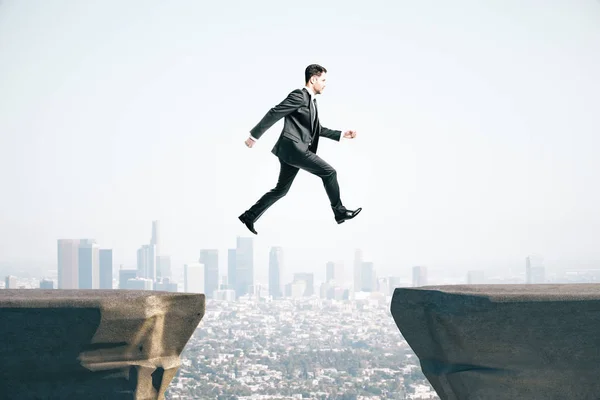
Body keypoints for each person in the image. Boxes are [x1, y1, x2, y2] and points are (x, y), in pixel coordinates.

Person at [238, 64, 362, 235]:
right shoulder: (299, 96)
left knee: (281, 190)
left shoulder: (312, 102)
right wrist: (254, 137)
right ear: (313, 79)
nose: (325, 84)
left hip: (291, 151)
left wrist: (342, 134)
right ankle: (339, 211)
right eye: (323, 80)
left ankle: (249, 216)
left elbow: (317, 129)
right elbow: (275, 112)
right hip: (295, 148)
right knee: (329, 173)